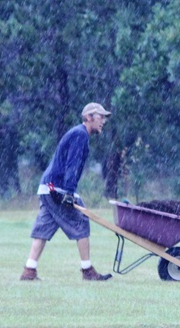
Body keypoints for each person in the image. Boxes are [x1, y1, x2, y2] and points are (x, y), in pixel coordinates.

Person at [20, 102, 114, 281]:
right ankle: (87, 271)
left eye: (104, 118)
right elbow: (72, 164)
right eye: (100, 117)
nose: (103, 121)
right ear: (89, 117)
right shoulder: (80, 135)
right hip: (57, 189)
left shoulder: (79, 133)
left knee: (44, 227)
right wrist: (69, 193)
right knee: (81, 221)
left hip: (48, 187)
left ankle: (29, 271)